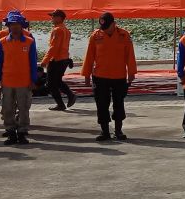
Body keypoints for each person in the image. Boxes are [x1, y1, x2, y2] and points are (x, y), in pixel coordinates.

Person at [81, 12, 137, 141]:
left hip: (119, 76)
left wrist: (132, 72)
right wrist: (86, 74)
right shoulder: (95, 36)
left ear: (114, 24)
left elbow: (130, 54)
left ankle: (118, 131)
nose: (104, 29)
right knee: (101, 104)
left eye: (107, 26)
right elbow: (89, 56)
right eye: (103, 27)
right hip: (100, 76)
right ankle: (105, 131)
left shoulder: (124, 35)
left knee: (119, 103)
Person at [0, 11, 38, 145]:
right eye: (12, 24)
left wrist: (33, 80)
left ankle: (22, 133)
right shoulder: (2, 42)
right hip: (7, 81)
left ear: (22, 25)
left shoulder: (30, 41)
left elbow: (33, 62)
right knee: (7, 108)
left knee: (24, 108)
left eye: (17, 24)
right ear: (8, 25)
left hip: (24, 82)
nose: (14, 27)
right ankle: (11, 132)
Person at [41, 9, 76, 111]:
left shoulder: (57, 30)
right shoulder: (66, 30)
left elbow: (54, 48)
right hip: (64, 59)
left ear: (59, 18)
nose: (51, 18)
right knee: (57, 81)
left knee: (51, 84)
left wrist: (45, 60)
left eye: (53, 16)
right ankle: (70, 96)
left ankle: (62, 103)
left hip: (57, 60)